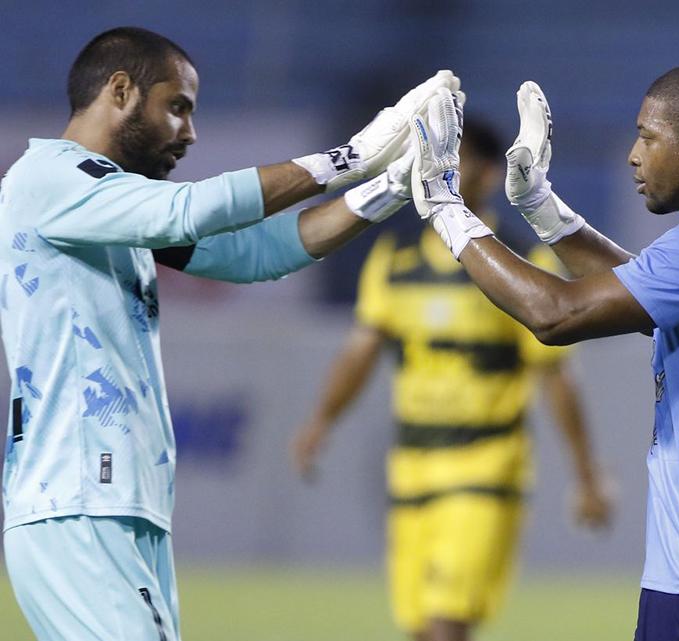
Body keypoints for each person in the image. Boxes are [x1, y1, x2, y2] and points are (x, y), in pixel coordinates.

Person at [0, 26, 461, 641]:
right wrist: (350, 158)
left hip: (115, 503)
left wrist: (390, 186)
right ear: (120, 90)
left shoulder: (105, 203)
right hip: (77, 500)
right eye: (177, 106)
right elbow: (185, 211)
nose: (190, 132)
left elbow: (254, 254)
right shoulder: (49, 178)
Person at [395, 63, 679, 640]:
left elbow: (556, 314)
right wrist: (541, 206)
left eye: (648, 137)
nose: (633, 155)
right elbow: (641, 290)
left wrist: (447, 209)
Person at [290, 119, 612, 641]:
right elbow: (362, 349)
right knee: (421, 628)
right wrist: (320, 422)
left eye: (454, 161)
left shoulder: (519, 266)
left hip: (485, 465)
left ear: (487, 174)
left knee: (446, 625)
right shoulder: (394, 260)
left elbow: (555, 376)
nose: (439, 172)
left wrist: (586, 475)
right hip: (411, 469)